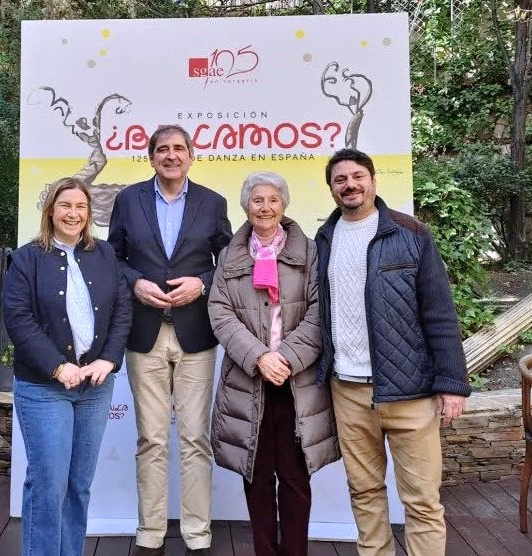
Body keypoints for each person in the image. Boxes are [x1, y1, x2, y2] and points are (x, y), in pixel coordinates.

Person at [315, 148, 471, 556]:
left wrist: (452, 385)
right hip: (347, 391)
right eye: (340, 179)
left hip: (411, 392)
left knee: (421, 501)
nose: (349, 184)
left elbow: (439, 312)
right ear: (331, 188)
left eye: (357, 176)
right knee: (364, 494)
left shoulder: (411, 233)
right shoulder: (325, 239)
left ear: (373, 180)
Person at [108, 124, 232, 556]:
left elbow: (231, 262)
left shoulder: (212, 203)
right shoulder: (128, 200)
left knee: (196, 439)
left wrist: (202, 283)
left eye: (179, 148)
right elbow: (114, 257)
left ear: (191, 155)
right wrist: (136, 282)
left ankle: (198, 535)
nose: (172, 155)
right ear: (152, 157)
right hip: (144, 334)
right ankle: (150, 534)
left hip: (196, 334)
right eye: (163, 149)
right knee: (152, 438)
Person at [207, 171, 340, 556]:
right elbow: (219, 311)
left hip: (297, 381)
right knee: (258, 474)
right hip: (249, 380)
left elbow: (321, 311)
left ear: (284, 205)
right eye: (257, 200)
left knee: (296, 475)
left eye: (272, 200)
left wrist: (285, 358)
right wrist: (259, 357)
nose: (265, 207)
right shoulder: (231, 256)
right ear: (245, 206)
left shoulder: (311, 252)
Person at [3, 177, 131, 556]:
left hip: (95, 387)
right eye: (65, 205)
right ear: (50, 211)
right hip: (44, 388)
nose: (73, 214)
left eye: (80, 207)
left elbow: (123, 309)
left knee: (79, 484)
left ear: (89, 213)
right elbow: (18, 319)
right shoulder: (25, 258)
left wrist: (108, 358)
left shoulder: (105, 254)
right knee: (48, 484)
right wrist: (59, 368)